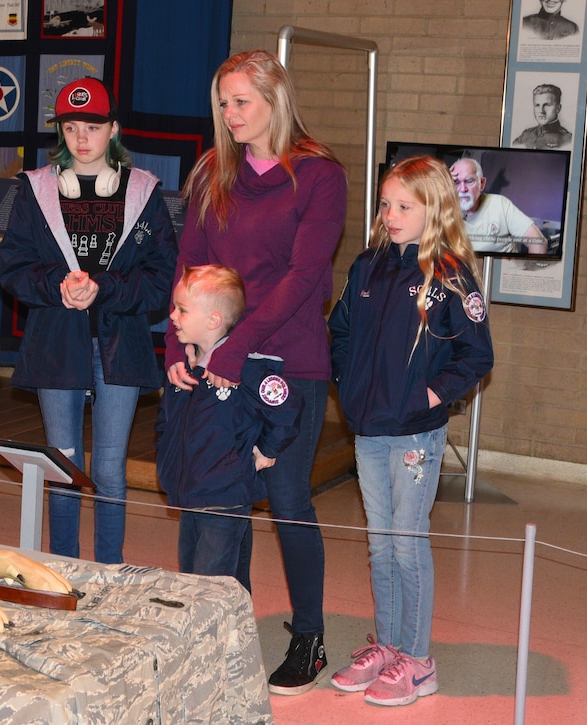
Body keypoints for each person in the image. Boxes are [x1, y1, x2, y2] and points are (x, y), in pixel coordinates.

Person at [164, 49, 347, 696]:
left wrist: (237, 346)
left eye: (241, 101)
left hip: (286, 360)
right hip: (217, 359)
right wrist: (176, 344)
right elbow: (189, 265)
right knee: (221, 494)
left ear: (275, 99)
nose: (230, 114)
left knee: (289, 499)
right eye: (223, 103)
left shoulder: (319, 175)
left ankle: (309, 635)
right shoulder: (214, 171)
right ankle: (226, 628)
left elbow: (304, 277)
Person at [327, 155, 494, 707]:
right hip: (368, 428)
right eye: (385, 204)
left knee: (406, 541)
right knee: (380, 544)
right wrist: (350, 385)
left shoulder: (450, 276)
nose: (390, 215)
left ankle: (419, 662)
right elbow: (340, 332)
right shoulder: (367, 266)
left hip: (416, 434)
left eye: (404, 206)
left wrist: (426, 396)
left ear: (435, 209)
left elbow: (476, 356)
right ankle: (390, 647)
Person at [0, 76, 178, 564]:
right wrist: (57, 285)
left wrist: (107, 288)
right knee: (64, 465)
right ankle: (64, 568)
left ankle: (109, 570)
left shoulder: (143, 192)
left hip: (120, 345)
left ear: (113, 129)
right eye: (71, 127)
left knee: (111, 470)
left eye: (93, 127)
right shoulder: (35, 189)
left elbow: (162, 276)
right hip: (58, 343)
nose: (81, 138)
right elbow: (14, 267)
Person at [156, 264, 302, 592]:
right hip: (190, 493)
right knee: (196, 576)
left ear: (213, 320)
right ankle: (235, 624)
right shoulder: (185, 370)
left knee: (209, 584)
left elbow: (287, 405)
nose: (173, 316)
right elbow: (166, 422)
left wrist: (267, 449)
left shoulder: (245, 369)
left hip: (224, 498)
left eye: (182, 309)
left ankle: (215, 627)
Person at [448, 158, 548, 254]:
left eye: (469, 181)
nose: (462, 189)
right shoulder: (445, 210)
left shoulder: (500, 204)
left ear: (481, 183)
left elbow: (539, 243)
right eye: (456, 182)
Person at [512, 83, 572, 150]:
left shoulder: (567, 140)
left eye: (547, 105)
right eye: (537, 105)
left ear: (558, 108)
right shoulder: (525, 135)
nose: (541, 111)